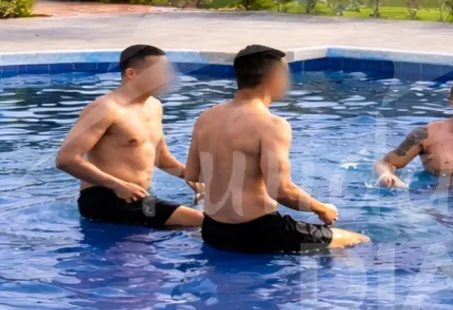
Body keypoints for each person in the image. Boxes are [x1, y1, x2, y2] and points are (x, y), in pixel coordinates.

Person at [184, 45, 368, 254]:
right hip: (259, 233)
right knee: (359, 240)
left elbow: (192, 174)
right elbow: (281, 190)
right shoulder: (271, 125)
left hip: (213, 230)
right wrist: (322, 208)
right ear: (273, 78)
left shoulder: (205, 118)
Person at [55, 44, 204, 229]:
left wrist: (192, 177)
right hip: (105, 199)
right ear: (132, 74)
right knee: (202, 221)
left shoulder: (154, 106)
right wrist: (117, 185)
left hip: (140, 199)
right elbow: (66, 159)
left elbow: (161, 158)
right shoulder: (105, 109)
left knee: (201, 219)